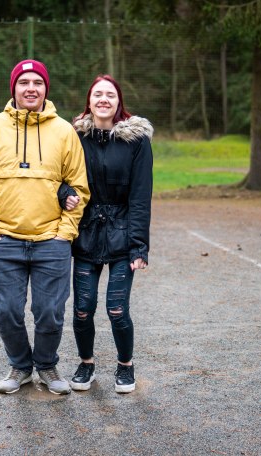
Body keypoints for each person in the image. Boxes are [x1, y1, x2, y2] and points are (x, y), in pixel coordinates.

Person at [0, 60, 90, 395]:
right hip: (4, 240)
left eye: (38, 82)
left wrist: (64, 233)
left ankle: (47, 365)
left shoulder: (64, 131)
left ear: (46, 89)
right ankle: (20, 367)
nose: (31, 88)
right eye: (24, 82)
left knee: (49, 312)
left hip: (51, 241)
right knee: (6, 311)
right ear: (14, 88)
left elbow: (79, 186)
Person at [59, 74, 153, 394]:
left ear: (118, 102)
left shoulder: (136, 141)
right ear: (89, 101)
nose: (103, 99)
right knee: (83, 308)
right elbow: (58, 176)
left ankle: (125, 365)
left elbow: (140, 196)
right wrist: (63, 194)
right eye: (97, 94)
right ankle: (86, 363)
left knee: (117, 309)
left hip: (122, 236)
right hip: (85, 234)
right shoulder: (73, 137)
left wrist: (139, 246)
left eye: (110, 95)